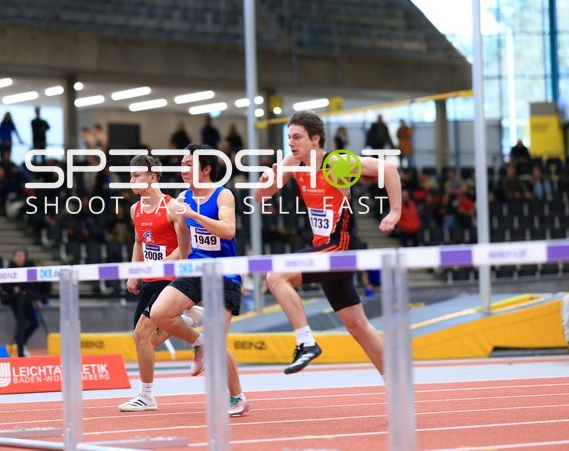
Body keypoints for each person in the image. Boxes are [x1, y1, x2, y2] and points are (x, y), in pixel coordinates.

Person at [252, 109, 401, 375]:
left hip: (340, 246)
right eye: (289, 137)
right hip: (324, 248)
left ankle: (306, 342)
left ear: (315, 139)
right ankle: (396, 385)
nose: (291, 143)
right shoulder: (292, 163)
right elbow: (261, 197)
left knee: (276, 275)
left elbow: (388, 168)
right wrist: (264, 183)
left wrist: (395, 211)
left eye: (297, 137)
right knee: (358, 326)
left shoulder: (337, 162)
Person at [150, 144, 249, 416]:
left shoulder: (222, 195)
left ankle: (237, 395)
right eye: (181, 164)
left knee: (218, 341)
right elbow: (183, 231)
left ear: (206, 169)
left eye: (189, 164)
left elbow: (228, 231)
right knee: (160, 312)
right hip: (194, 269)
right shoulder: (183, 196)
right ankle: (199, 342)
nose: (183, 169)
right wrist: (177, 261)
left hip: (223, 274)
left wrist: (194, 215)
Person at [118, 154, 203, 412]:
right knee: (146, 341)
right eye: (130, 175)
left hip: (171, 279)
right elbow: (138, 242)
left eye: (136, 176)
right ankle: (190, 320)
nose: (131, 180)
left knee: (141, 334)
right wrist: (135, 272)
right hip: (149, 280)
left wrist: (164, 263)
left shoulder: (171, 207)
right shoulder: (135, 209)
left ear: (152, 178)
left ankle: (146, 396)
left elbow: (185, 246)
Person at [4, 248, 39, 356]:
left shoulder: (29, 267)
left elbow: (34, 284)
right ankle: (20, 347)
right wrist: (13, 288)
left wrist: (34, 296)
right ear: (13, 257)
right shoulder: (9, 269)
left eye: (22, 256)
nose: (20, 258)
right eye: (18, 255)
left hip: (27, 300)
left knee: (35, 322)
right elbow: (4, 285)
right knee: (22, 323)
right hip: (15, 302)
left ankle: (21, 342)